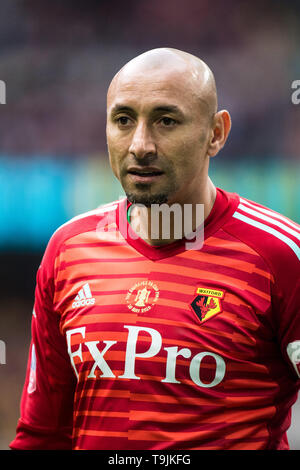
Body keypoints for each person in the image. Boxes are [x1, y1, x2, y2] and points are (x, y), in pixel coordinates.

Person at [10, 48, 299, 451]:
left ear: (215, 133)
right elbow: (42, 435)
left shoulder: (281, 257)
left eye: (166, 121)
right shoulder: (68, 250)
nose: (140, 144)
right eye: (124, 120)